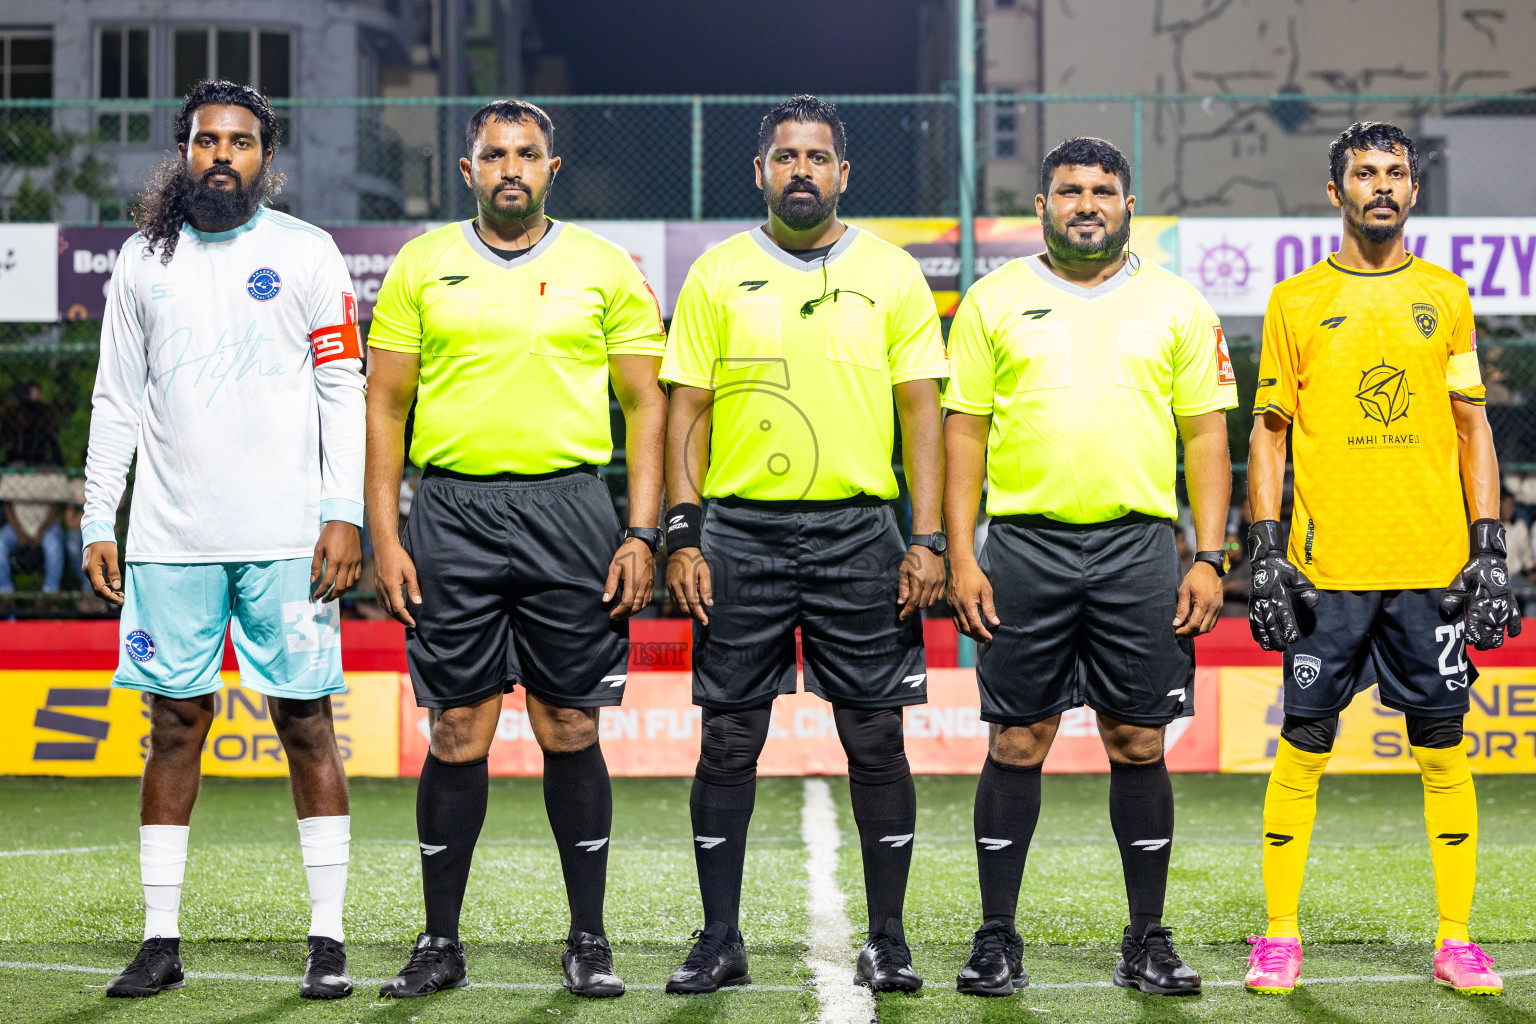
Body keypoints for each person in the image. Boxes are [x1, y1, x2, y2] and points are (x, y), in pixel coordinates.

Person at [367, 99, 668, 1000]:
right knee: (457, 729)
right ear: (468, 171)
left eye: (527, 154)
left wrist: (642, 531)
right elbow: (384, 407)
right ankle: (438, 942)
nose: (511, 167)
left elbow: (646, 404)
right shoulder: (421, 263)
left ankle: (589, 937)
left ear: (551, 168)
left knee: (569, 725)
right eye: (494, 154)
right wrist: (385, 534)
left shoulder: (604, 267)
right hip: (451, 511)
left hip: (569, 510)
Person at [81, 81, 364, 1000]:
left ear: (265, 159)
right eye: (208, 140)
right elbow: (116, 401)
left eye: (241, 142)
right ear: (184, 150)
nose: (223, 156)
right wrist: (97, 516)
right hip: (171, 539)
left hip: (287, 537)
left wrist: (344, 510)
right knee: (173, 728)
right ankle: (160, 941)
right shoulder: (141, 260)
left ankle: (328, 939)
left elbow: (342, 389)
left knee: (306, 724)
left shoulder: (307, 252)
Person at [662, 95, 947, 995]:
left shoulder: (893, 273)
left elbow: (923, 414)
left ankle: (889, 939)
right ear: (760, 171)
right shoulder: (716, 273)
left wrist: (928, 537)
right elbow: (686, 412)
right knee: (727, 740)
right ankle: (720, 938)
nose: (801, 170)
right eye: (785, 156)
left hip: (860, 533)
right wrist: (684, 535)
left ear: (842, 174)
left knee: (876, 737)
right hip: (739, 532)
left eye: (817, 157)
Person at [945, 136, 1234, 998]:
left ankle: (1147, 938)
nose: (1086, 204)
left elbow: (1205, 436)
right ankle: (997, 936)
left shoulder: (1177, 303)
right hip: (1023, 546)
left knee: (1138, 738)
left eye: (1103, 190)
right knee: (1017, 739)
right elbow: (964, 434)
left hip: (1138, 549)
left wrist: (1210, 555)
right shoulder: (993, 300)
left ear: (1128, 205)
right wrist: (960, 555)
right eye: (1069, 190)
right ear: (1042, 206)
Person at [1243, 122, 1517, 998]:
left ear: (1413, 189)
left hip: (1430, 570)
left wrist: (1488, 546)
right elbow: (1269, 434)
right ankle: (1278, 934)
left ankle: (1456, 939)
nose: (1383, 186)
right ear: (1338, 192)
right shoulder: (1295, 300)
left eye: (1396, 172)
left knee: (1443, 749)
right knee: (1304, 745)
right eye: (1365, 173)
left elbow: (1473, 427)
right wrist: (1265, 550)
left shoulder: (1446, 295)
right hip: (1328, 572)